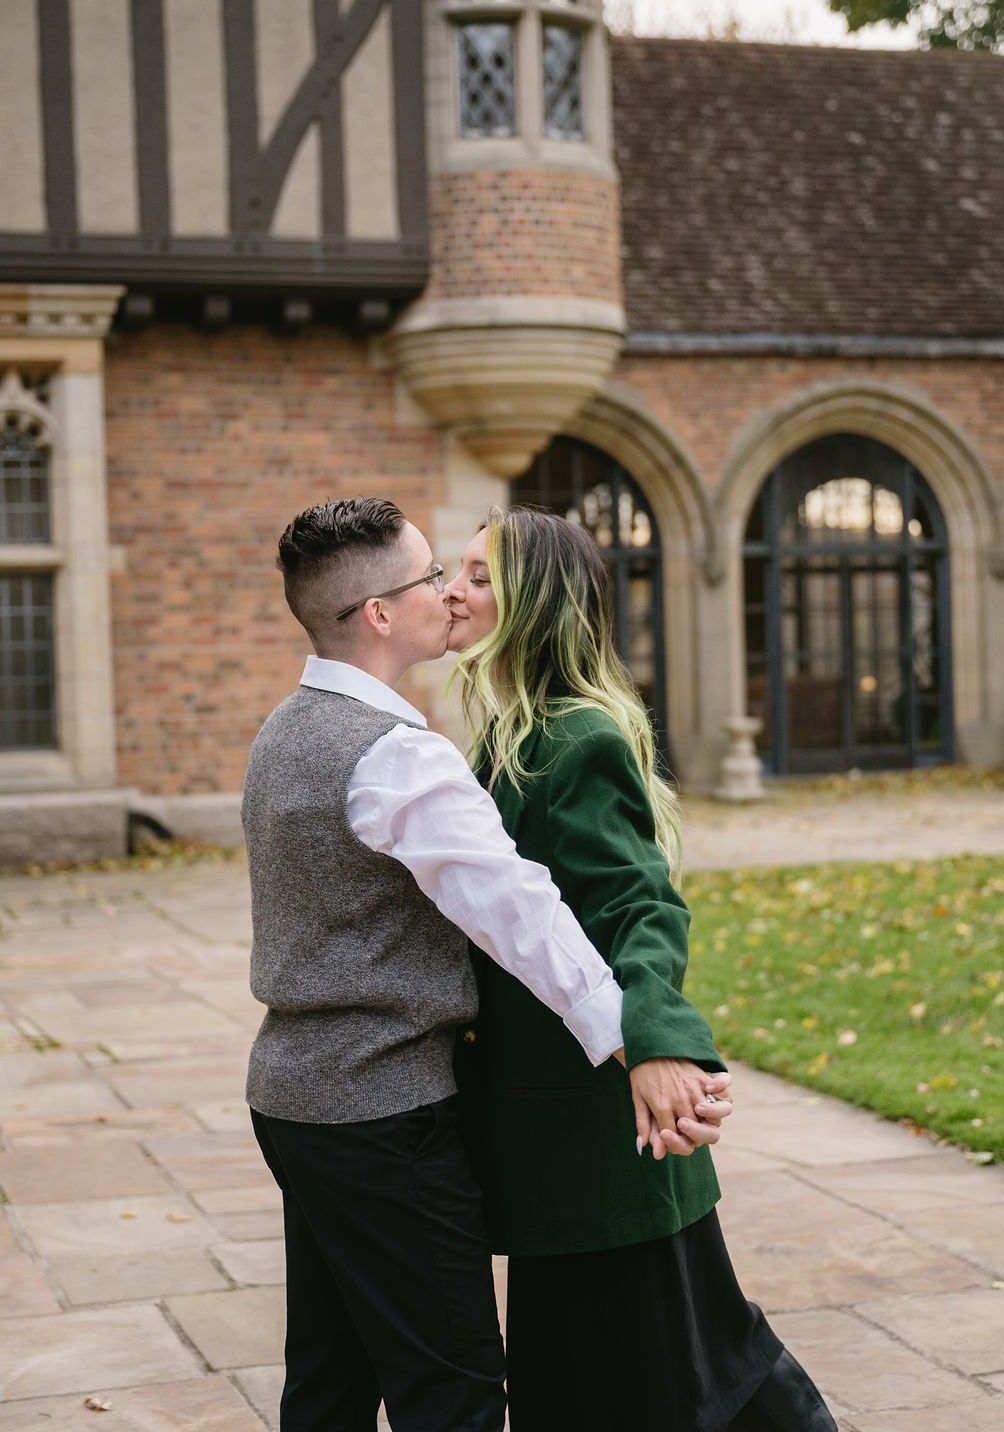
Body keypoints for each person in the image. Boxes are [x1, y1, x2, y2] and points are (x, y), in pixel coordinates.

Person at [242, 497, 729, 1432]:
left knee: (331, 1379)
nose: (450, 592)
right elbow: (520, 913)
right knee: (453, 1393)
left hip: (293, 1099)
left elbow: (611, 900)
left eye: (468, 573)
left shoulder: (286, 730)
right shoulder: (398, 758)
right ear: (381, 613)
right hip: (385, 1108)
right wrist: (634, 1045)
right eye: (434, 574)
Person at [446, 507, 838, 1432]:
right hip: (564, 1133)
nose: (452, 592)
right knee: (660, 1362)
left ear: (531, 606)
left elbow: (640, 905)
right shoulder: (512, 736)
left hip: (600, 1129)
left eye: (477, 575)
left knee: (671, 1375)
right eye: (454, 571)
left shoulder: (573, 740)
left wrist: (659, 1043)